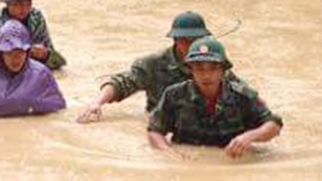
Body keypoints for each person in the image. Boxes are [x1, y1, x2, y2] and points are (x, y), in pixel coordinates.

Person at [148, 36, 282, 159]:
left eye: (213, 68)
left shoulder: (242, 96)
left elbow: (274, 125)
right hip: (189, 163)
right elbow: (154, 130)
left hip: (232, 162)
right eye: (199, 68)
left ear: (223, 71)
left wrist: (249, 137)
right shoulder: (173, 95)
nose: (206, 75)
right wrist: (169, 153)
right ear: (191, 70)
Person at [77, 10, 217, 123]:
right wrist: (97, 103)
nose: (191, 45)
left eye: (196, 40)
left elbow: (234, 90)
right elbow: (121, 83)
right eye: (185, 41)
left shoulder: (213, 62)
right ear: (176, 40)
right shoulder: (153, 64)